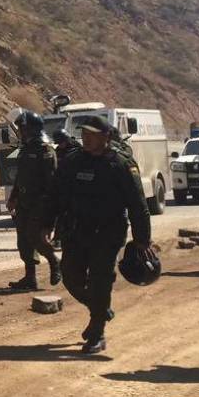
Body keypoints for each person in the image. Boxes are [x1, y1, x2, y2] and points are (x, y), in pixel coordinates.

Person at [51, 116, 151, 354]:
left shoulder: (120, 164)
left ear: (106, 137)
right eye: (84, 134)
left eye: (92, 135)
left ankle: (97, 332)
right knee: (71, 277)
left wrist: (142, 239)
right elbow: (57, 196)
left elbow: (138, 205)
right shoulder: (72, 162)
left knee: (100, 279)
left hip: (108, 233)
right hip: (76, 231)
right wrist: (47, 225)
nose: (86, 138)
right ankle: (100, 309)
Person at [7, 111, 61, 291]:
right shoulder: (26, 148)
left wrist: (49, 209)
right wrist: (14, 197)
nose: (20, 131)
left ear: (31, 129)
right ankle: (30, 278)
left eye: (23, 128)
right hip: (24, 201)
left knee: (36, 237)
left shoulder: (44, 149)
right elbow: (21, 177)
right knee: (23, 240)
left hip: (40, 203)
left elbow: (52, 181)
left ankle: (55, 262)